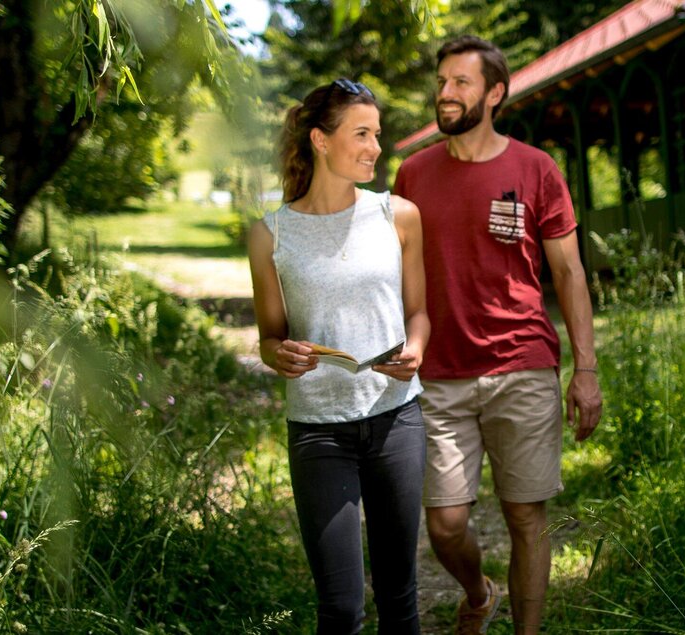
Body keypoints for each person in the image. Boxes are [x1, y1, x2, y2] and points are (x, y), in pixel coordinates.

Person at [393, 35, 603, 634]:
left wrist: (585, 369)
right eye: (441, 82)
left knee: (526, 517)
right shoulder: (413, 174)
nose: (446, 92)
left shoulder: (536, 169)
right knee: (445, 525)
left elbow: (569, 272)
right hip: (439, 373)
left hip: (523, 365)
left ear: (494, 93)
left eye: (460, 82)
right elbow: (391, 269)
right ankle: (478, 591)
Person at [247, 78, 430, 634]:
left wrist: (416, 349)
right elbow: (270, 337)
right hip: (318, 431)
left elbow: (419, 313)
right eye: (362, 134)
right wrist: (279, 355)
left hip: (396, 419)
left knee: (399, 596)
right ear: (320, 140)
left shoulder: (399, 215)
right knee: (341, 608)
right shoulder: (270, 235)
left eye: (377, 134)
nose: (376, 147)